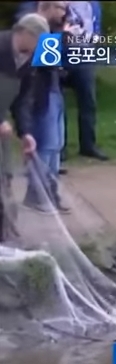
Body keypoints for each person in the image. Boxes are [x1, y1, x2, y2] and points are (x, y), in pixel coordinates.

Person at [0, 14, 48, 241]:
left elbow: (22, 100)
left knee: (4, 178)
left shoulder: (28, 61)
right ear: (25, 33)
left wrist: (26, 132)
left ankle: (5, 238)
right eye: (39, 41)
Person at [23, 2, 71, 214]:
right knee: (46, 145)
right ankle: (37, 194)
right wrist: (62, 36)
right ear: (48, 6)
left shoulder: (52, 30)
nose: (64, 13)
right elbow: (45, 61)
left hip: (54, 90)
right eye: (60, 7)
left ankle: (50, 192)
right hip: (40, 93)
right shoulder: (35, 27)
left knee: (56, 145)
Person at [63, 1, 108, 162]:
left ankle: (88, 145)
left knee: (88, 103)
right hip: (60, 54)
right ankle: (59, 147)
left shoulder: (93, 4)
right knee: (56, 103)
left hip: (84, 56)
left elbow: (95, 25)